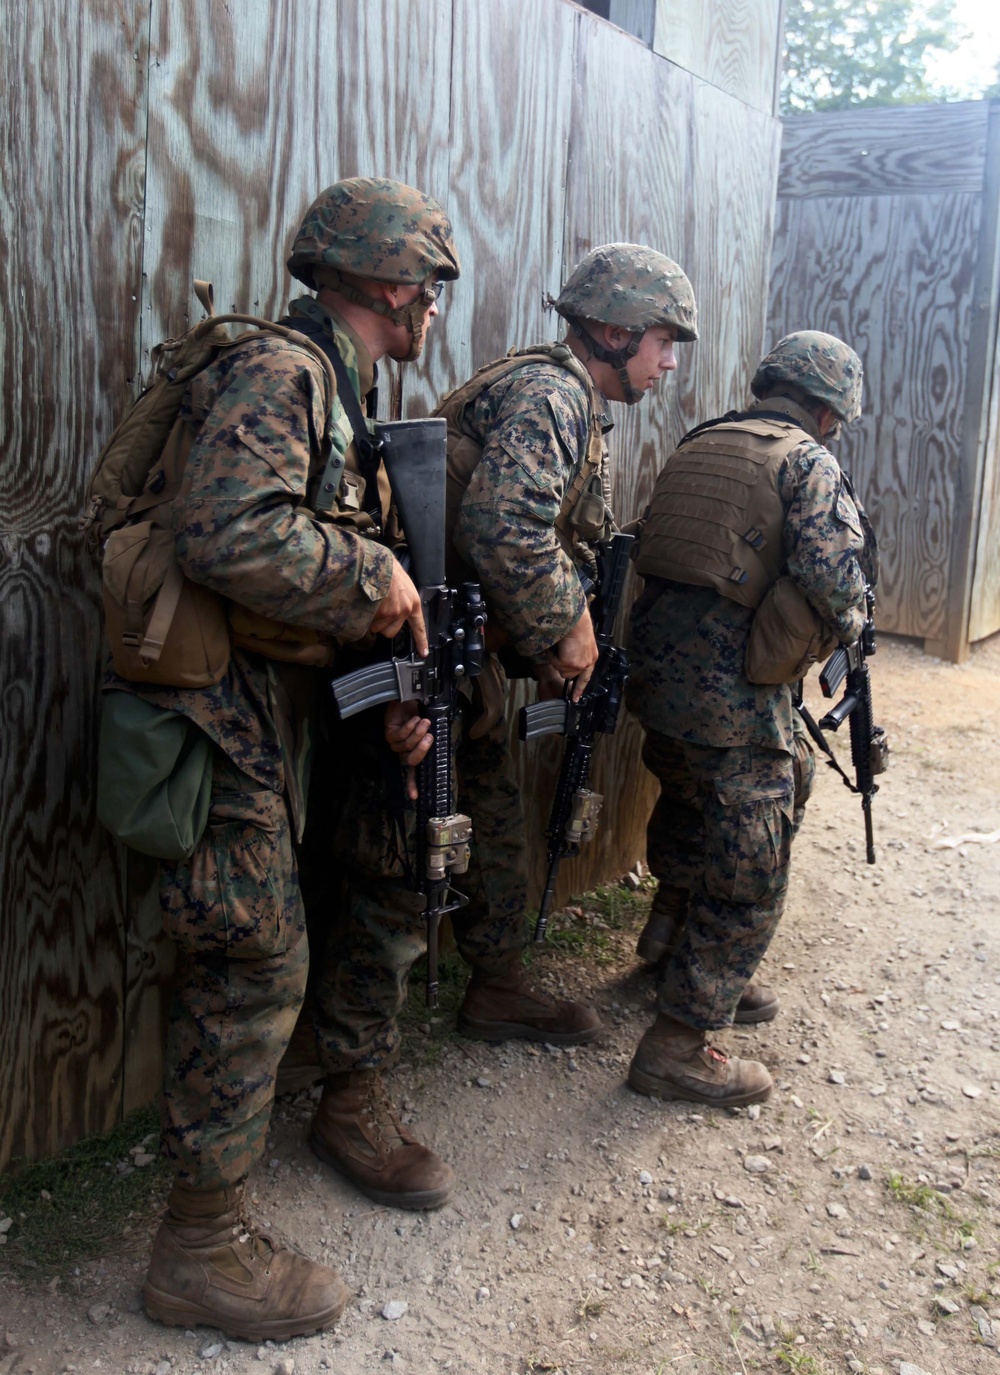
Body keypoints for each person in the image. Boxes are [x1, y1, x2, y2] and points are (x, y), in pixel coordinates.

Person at [124, 176, 461, 1341]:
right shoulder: (289, 372)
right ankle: (199, 1251)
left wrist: (388, 702)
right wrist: (379, 581)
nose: (432, 306)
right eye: (427, 282)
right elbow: (227, 530)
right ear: (383, 282)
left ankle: (275, 1161)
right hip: (211, 716)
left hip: (262, 705)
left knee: (278, 940)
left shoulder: (338, 387)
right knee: (252, 960)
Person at [304, 243, 699, 1211]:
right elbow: (505, 529)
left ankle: (497, 981)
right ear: (612, 331)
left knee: (489, 819)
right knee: (405, 861)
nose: (671, 361)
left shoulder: (565, 397)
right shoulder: (554, 397)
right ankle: (347, 1094)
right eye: (662, 341)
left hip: (463, 653)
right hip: (417, 652)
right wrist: (570, 631)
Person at [624, 330, 875, 1108]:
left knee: (699, 799)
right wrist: (855, 626)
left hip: (658, 682)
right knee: (752, 865)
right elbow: (835, 583)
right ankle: (678, 1042)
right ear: (829, 410)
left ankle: (668, 941)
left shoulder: (703, 441)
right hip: (729, 690)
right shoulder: (808, 461)